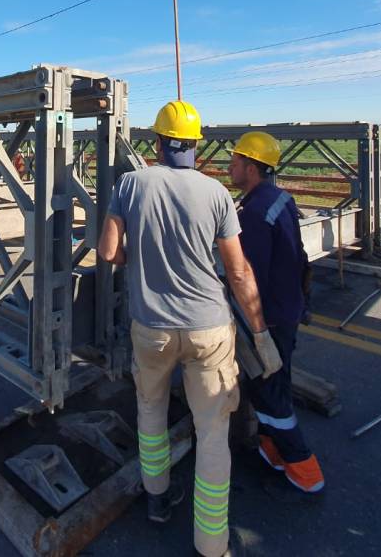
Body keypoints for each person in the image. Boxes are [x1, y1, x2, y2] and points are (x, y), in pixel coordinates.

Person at [98, 100, 278, 557]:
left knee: (151, 410)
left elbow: (107, 252)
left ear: (157, 143)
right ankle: (211, 543)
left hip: (151, 328)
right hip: (209, 330)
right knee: (213, 432)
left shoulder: (130, 184)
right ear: (196, 146)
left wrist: (133, 257)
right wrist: (258, 332)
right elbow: (237, 273)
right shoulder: (217, 193)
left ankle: (157, 499)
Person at [227, 131, 325, 494]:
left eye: (235, 162)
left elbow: (247, 273)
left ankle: (304, 467)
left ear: (251, 167)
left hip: (267, 317)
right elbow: (298, 257)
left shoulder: (253, 213)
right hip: (287, 308)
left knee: (269, 392)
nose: (230, 167)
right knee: (275, 382)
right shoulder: (280, 199)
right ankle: (273, 452)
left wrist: (254, 325)